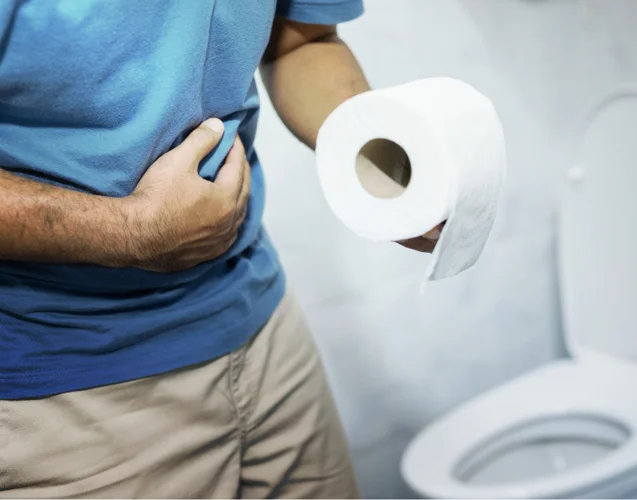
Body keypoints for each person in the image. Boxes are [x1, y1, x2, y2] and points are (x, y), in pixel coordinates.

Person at [0, 0, 442, 497]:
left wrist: (386, 163)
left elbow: (302, 42)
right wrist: (127, 230)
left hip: (262, 322)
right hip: (66, 386)